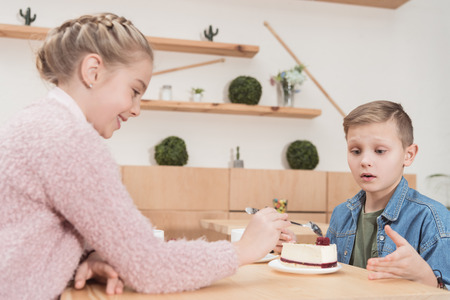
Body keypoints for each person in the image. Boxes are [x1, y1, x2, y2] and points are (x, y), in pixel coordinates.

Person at [0, 13, 291, 300]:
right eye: (135, 90)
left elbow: (34, 232)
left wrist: (89, 256)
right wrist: (244, 249)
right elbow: (149, 266)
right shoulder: (68, 138)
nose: (137, 109)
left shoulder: (40, 122)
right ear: (93, 72)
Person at [327, 100, 449, 289]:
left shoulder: (432, 217)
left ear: (408, 155)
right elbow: (327, 278)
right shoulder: (340, 215)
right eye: (356, 151)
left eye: (380, 151)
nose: (365, 161)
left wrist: (424, 276)